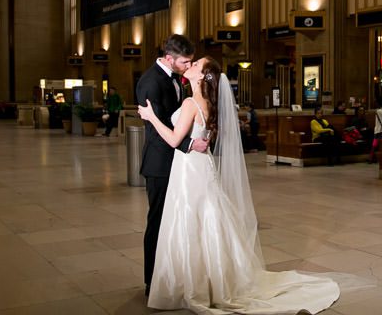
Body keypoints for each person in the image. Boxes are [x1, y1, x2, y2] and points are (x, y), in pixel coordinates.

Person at [138, 57, 340, 313]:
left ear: (201, 77)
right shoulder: (207, 103)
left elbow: (174, 138)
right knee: (206, 218)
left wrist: (151, 117)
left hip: (190, 169)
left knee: (190, 219)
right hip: (201, 166)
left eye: (196, 64)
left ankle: (193, 282)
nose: (191, 66)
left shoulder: (190, 103)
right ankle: (213, 280)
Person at [135, 35, 209, 298]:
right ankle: (151, 281)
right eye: (184, 61)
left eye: (191, 61)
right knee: (157, 222)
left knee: (175, 223)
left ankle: (173, 276)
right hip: (160, 164)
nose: (188, 65)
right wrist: (188, 144)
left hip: (179, 164)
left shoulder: (177, 77)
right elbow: (155, 131)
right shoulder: (150, 81)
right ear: (168, 58)